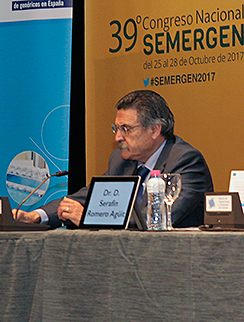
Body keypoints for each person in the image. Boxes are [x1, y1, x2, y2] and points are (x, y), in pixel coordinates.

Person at [14, 90, 214, 228]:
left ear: (154, 130)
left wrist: (90, 218)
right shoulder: (121, 159)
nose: (117, 137)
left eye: (126, 129)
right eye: (116, 128)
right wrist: (36, 216)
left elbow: (160, 217)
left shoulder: (185, 160)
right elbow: (89, 196)